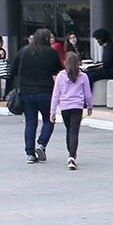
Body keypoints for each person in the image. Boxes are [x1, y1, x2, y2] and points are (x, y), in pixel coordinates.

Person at [15, 29, 62, 164]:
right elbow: (58, 70)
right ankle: (41, 145)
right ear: (47, 39)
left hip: (26, 92)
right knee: (49, 120)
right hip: (45, 91)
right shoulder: (51, 52)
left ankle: (30, 154)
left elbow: (13, 71)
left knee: (30, 122)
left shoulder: (23, 51)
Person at [49, 51, 92, 171]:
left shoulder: (60, 76)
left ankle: (70, 153)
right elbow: (87, 94)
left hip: (65, 107)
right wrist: (89, 106)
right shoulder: (83, 76)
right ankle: (72, 156)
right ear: (78, 63)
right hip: (77, 107)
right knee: (74, 132)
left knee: (69, 131)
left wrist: (52, 111)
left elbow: (55, 94)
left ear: (65, 63)